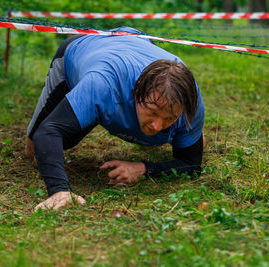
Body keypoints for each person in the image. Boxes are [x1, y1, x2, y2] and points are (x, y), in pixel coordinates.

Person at [25, 27, 205, 211]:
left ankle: (192, 135)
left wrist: (143, 169)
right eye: (152, 112)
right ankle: (90, 108)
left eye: (170, 118)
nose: (157, 125)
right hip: (81, 51)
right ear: (137, 91)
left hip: (137, 44)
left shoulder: (190, 103)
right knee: (35, 152)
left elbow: (192, 164)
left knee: (191, 141)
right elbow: (48, 131)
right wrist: (59, 191)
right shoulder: (102, 84)